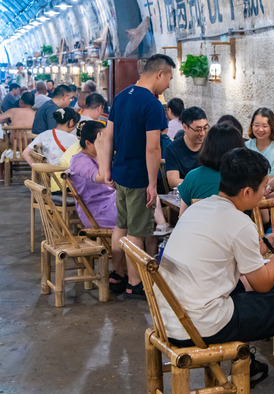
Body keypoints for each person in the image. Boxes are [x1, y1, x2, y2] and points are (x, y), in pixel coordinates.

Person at [156, 147, 274, 392]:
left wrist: (272, 241)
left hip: (169, 317)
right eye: (263, 188)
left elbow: (233, 254)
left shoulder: (200, 208)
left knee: (246, 284)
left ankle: (248, 364)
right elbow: (264, 284)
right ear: (247, 191)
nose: (265, 192)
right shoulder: (240, 222)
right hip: (200, 326)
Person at [97, 53, 175, 299]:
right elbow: (153, 147)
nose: (169, 85)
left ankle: (117, 274)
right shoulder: (152, 104)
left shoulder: (120, 97)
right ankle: (135, 282)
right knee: (138, 231)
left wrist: (107, 168)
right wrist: (152, 183)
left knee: (122, 225)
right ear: (159, 73)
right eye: (169, 78)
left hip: (120, 172)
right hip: (139, 176)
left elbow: (108, 136)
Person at [69, 121, 171, 293]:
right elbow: (104, 178)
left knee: (144, 195)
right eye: (102, 139)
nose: (108, 143)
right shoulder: (80, 161)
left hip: (110, 202)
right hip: (97, 210)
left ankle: (133, 271)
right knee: (142, 211)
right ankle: (137, 277)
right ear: (88, 143)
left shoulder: (96, 157)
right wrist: (103, 150)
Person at [178, 123, 245, 216]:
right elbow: (264, 218)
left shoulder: (192, 177)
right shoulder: (247, 176)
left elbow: (182, 216)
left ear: (207, 146)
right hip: (240, 229)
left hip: (201, 229)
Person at [165, 106, 208, 188]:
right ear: (185, 127)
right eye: (198, 130)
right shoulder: (173, 149)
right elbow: (173, 181)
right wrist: (200, 184)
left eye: (205, 128)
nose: (202, 133)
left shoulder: (210, 146)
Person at [245, 107, 274, 177]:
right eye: (256, 125)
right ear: (252, 126)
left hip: (273, 188)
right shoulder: (245, 146)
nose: (260, 129)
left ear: (272, 127)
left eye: (265, 126)